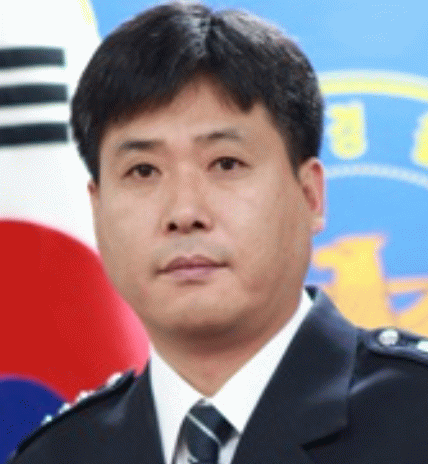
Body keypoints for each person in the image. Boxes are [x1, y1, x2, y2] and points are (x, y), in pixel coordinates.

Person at [8, 1, 428, 463]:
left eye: (226, 164)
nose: (184, 213)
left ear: (310, 195)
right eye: (143, 171)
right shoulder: (58, 455)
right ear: (97, 209)